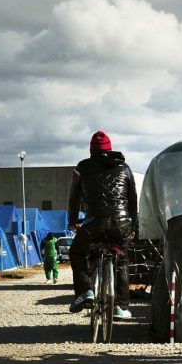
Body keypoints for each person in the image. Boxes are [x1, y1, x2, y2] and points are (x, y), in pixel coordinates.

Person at [67, 130, 138, 319]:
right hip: (121, 223)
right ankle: (121, 307)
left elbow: (73, 198)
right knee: (122, 260)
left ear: (91, 150)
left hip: (93, 224)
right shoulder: (125, 168)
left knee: (77, 252)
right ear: (110, 148)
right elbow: (133, 200)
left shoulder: (82, 167)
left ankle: (85, 291)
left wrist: (73, 221)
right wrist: (133, 227)